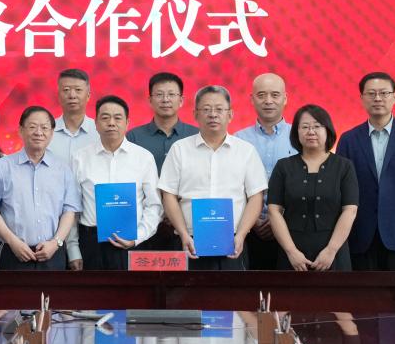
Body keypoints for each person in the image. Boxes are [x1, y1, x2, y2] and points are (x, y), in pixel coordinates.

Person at [158, 85, 267, 270]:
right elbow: (168, 195)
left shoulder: (246, 151)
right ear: (195, 114)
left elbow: (256, 196)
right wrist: (183, 234)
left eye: (219, 109)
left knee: (232, 289)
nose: (213, 115)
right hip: (189, 241)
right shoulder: (180, 149)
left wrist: (241, 234)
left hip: (233, 242)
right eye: (206, 109)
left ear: (230, 114)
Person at [336, 72, 395, 271]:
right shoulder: (348, 140)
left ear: (394, 97)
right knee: (361, 291)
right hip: (359, 236)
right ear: (362, 98)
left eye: (384, 93)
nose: (377, 98)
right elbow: (341, 192)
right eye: (371, 93)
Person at [0, 106, 83, 271]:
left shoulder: (63, 169)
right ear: (21, 130)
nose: (38, 132)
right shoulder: (1, 167)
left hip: (53, 253)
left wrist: (56, 243)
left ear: (52, 133)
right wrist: (12, 241)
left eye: (44, 128)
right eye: (32, 127)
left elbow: (69, 211)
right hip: (13, 252)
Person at [72, 95, 162, 270]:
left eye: (117, 118)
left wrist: (138, 236)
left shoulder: (143, 158)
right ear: (96, 123)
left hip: (132, 241)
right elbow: (72, 208)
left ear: (127, 123)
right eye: (105, 118)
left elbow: (155, 205)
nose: (111, 123)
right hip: (91, 243)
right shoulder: (80, 158)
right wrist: (73, 249)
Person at [267, 104, 358, 271]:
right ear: (296, 132)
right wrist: (291, 252)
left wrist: (331, 250)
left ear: (328, 130)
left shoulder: (344, 166)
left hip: (334, 253)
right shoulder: (283, 166)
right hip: (292, 254)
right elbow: (273, 210)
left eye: (317, 126)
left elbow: (350, 210)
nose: (311, 131)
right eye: (305, 127)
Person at [126, 72, 199, 252]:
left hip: (187, 222)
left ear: (181, 100)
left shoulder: (196, 135)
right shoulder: (133, 137)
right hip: (144, 222)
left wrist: (174, 208)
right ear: (150, 100)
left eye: (171, 94)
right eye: (159, 94)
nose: (165, 99)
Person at [234, 72, 298, 269]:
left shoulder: (300, 136)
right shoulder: (238, 139)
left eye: (275, 95)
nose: (268, 101)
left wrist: (278, 219)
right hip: (246, 231)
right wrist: (252, 221)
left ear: (285, 98)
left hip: (291, 229)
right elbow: (232, 185)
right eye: (261, 95)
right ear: (252, 99)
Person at [50, 68, 99, 164]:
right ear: (58, 96)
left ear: (88, 96)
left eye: (78, 90)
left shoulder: (100, 132)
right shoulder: (45, 132)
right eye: (66, 90)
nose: (72, 95)